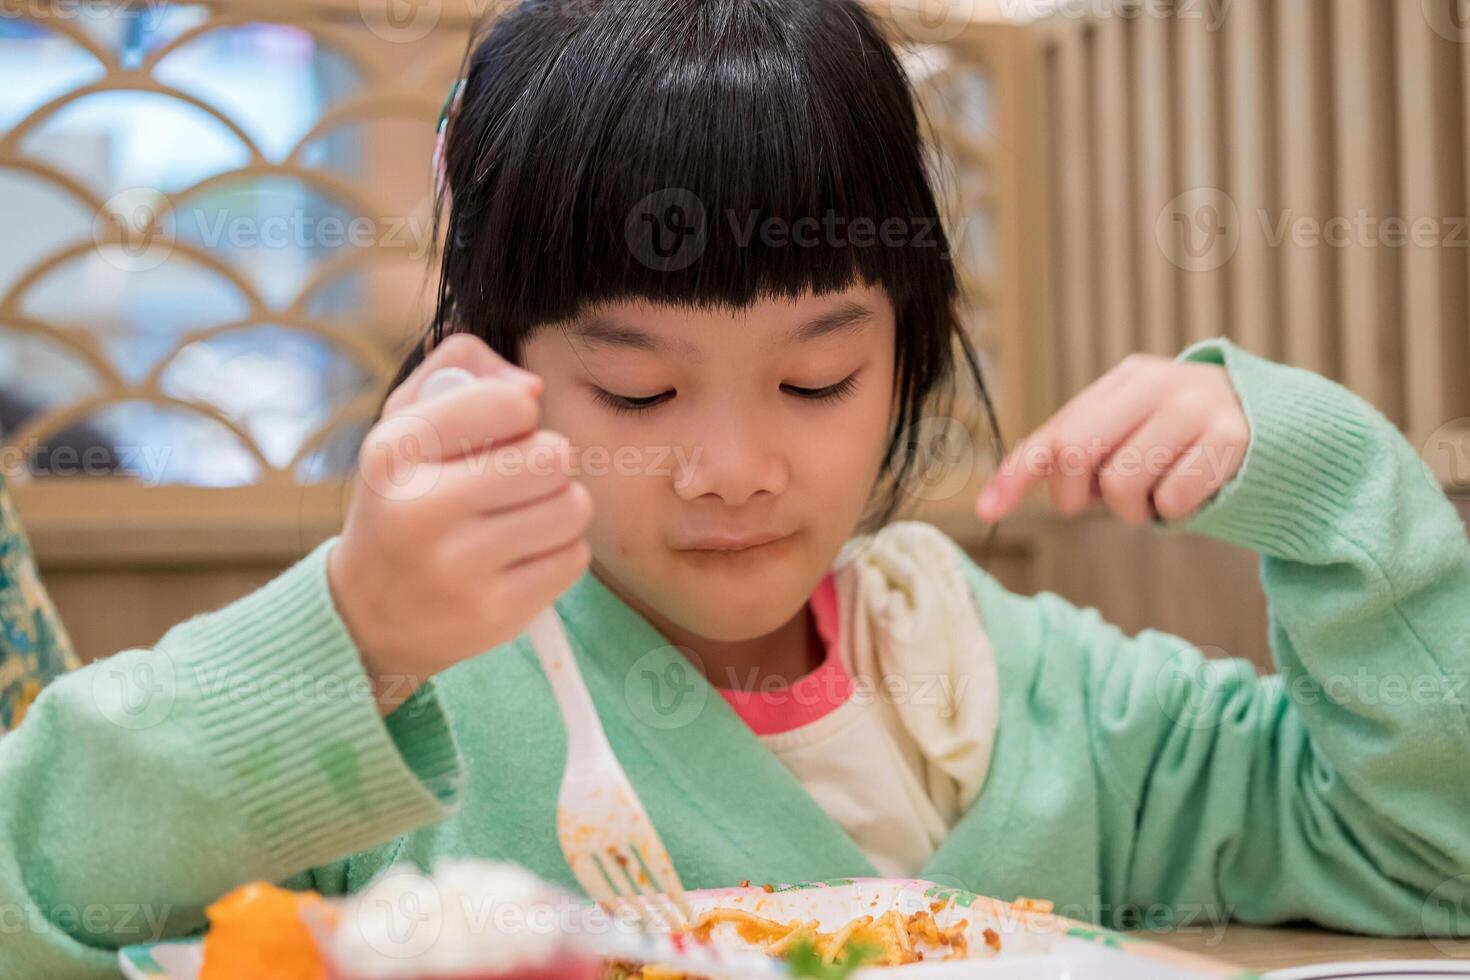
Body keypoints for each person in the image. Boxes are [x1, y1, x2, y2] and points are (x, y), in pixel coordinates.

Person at [3, 1, 1467, 974]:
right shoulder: (413, 714)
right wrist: (354, 640)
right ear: (483, 361)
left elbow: (1427, 857)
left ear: (909, 352)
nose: (731, 469)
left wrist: (1328, 485)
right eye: (635, 391)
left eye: (815, 379)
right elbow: (41, 911)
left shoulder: (1022, 693)